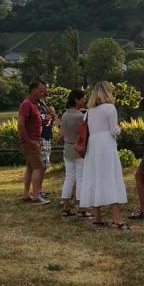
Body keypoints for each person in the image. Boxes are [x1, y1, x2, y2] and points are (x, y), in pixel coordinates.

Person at [79, 81, 128, 229]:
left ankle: (97, 216)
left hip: (93, 146)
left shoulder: (90, 111)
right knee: (110, 177)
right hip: (106, 145)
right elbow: (113, 130)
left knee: (95, 177)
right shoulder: (110, 108)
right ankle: (116, 217)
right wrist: (121, 129)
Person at [18, 81, 48, 204]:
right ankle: (36, 196)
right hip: (31, 142)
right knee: (38, 167)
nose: (42, 93)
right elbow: (21, 125)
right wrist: (29, 141)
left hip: (35, 140)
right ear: (32, 90)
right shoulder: (27, 104)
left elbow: (35, 123)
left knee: (31, 167)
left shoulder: (35, 104)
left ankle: (26, 194)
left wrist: (45, 122)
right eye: (40, 91)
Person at [59, 88, 87, 217]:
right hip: (79, 149)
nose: (85, 100)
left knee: (69, 178)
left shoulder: (65, 115)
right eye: (83, 98)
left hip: (68, 149)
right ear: (77, 100)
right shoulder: (81, 117)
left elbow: (62, 134)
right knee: (80, 178)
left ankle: (66, 207)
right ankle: (81, 208)